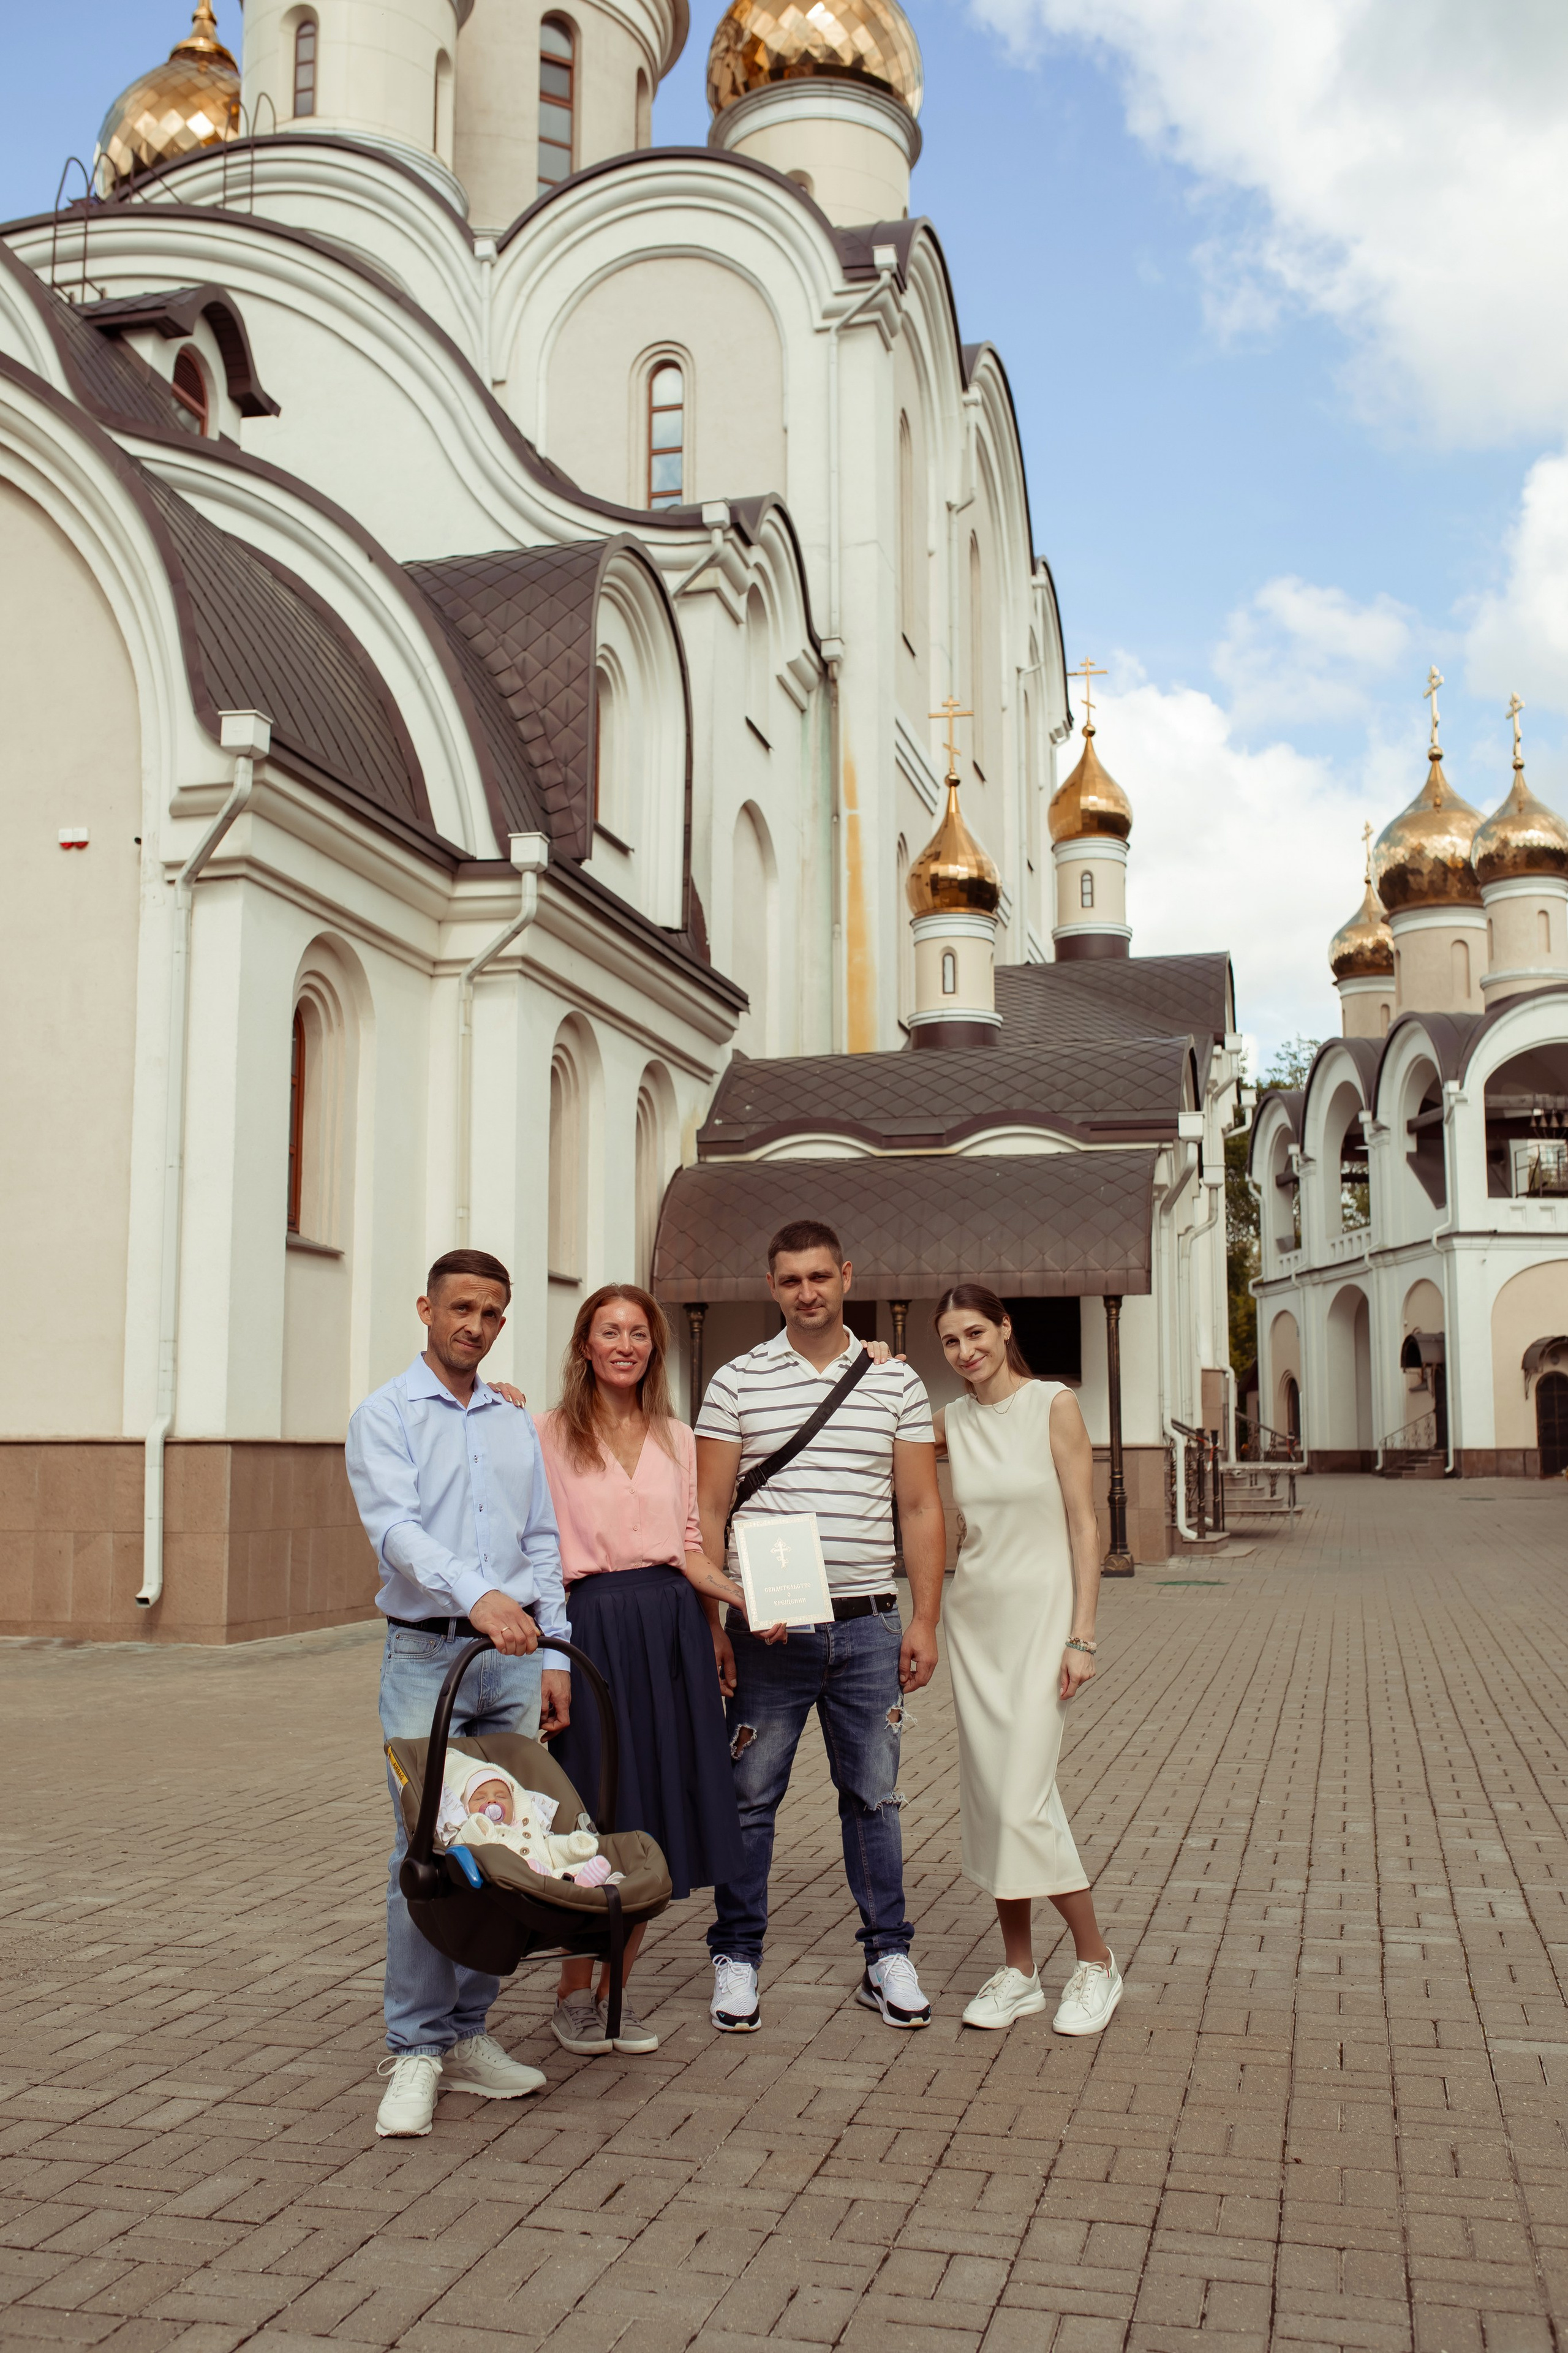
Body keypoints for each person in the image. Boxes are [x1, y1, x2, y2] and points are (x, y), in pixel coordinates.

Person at [695, 1219, 948, 2034]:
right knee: (748, 1798)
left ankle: (887, 1955)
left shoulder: (896, 1384)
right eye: (790, 1280)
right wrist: (718, 1616)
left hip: (870, 1625)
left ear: (846, 1276)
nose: (807, 1291)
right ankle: (736, 1954)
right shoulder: (735, 1381)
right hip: (770, 1633)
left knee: (875, 1797)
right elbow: (706, 1509)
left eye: (819, 1276)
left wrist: (926, 1618)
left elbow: (918, 1505)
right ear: (772, 1287)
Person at [345, 1248, 573, 2139]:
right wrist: (474, 1593)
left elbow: (544, 1539)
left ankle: (469, 2034)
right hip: (426, 1656)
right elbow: (395, 1528)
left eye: (490, 1313)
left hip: (515, 1659)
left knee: (503, 1847)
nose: (474, 1325)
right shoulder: (386, 1414)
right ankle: (412, 2047)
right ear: (426, 1309)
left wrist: (558, 1653)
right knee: (425, 1856)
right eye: (460, 1309)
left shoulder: (515, 1421)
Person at [535, 1285, 752, 2058]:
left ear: (653, 1347)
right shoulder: (547, 1432)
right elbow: (537, 1546)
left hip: (670, 1633)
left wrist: (733, 1601)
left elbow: (691, 1544)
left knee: (659, 1810)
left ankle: (614, 1992)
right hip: (590, 1626)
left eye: (638, 1332)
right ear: (585, 1345)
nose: (624, 1344)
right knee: (595, 1809)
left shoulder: (676, 1435)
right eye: (609, 1331)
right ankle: (572, 1994)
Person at [934, 1283, 1122, 2036]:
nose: (964, 1351)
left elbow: (1085, 1522)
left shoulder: (1054, 1404)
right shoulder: (947, 1420)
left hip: (1044, 1621)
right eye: (949, 1341)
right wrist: (870, 1362)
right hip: (974, 1622)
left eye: (975, 1333)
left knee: (1022, 1798)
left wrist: (1083, 1633)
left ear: (1004, 1328)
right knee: (990, 1797)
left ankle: (1097, 1961)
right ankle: (1018, 1972)